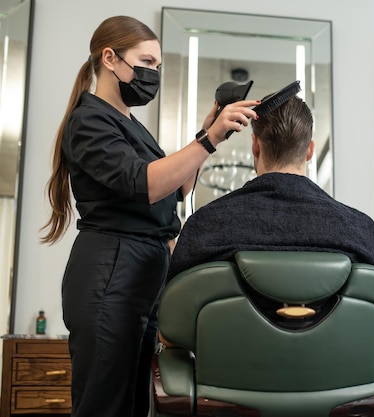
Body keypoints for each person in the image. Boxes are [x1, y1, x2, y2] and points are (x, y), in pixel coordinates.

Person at [39, 16, 259, 417]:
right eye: (146, 62)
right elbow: (144, 183)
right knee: (103, 406)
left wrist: (207, 133)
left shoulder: (130, 126)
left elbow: (177, 188)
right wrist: (206, 141)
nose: (153, 73)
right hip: (111, 272)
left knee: (138, 403)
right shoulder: (89, 120)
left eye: (158, 66)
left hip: (144, 273)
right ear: (110, 58)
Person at [166, 94, 374, 337]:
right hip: (345, 396)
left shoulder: (207, 225)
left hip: (224, 396)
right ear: (309, 151)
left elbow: (171, 325)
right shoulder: (359, 230)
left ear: (255, 146)